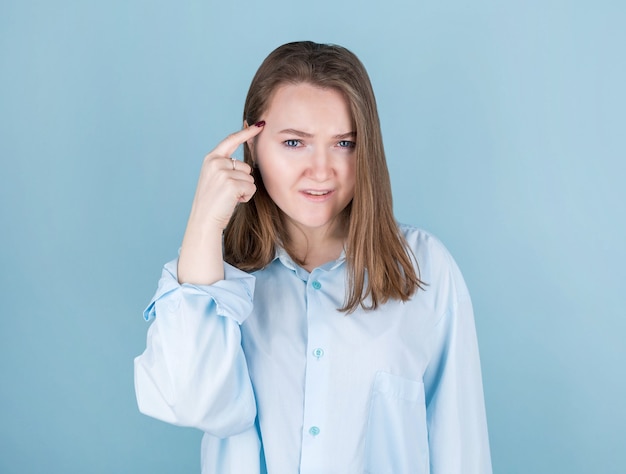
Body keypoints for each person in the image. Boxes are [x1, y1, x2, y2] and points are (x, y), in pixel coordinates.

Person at [134, 41, 492, 474]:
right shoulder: (219, 273)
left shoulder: (424, 269)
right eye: (293, 142)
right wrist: (203, 224)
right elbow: (191, 401)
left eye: (343, 142)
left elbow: (461, 450)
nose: (321, 171)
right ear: (252, 143)